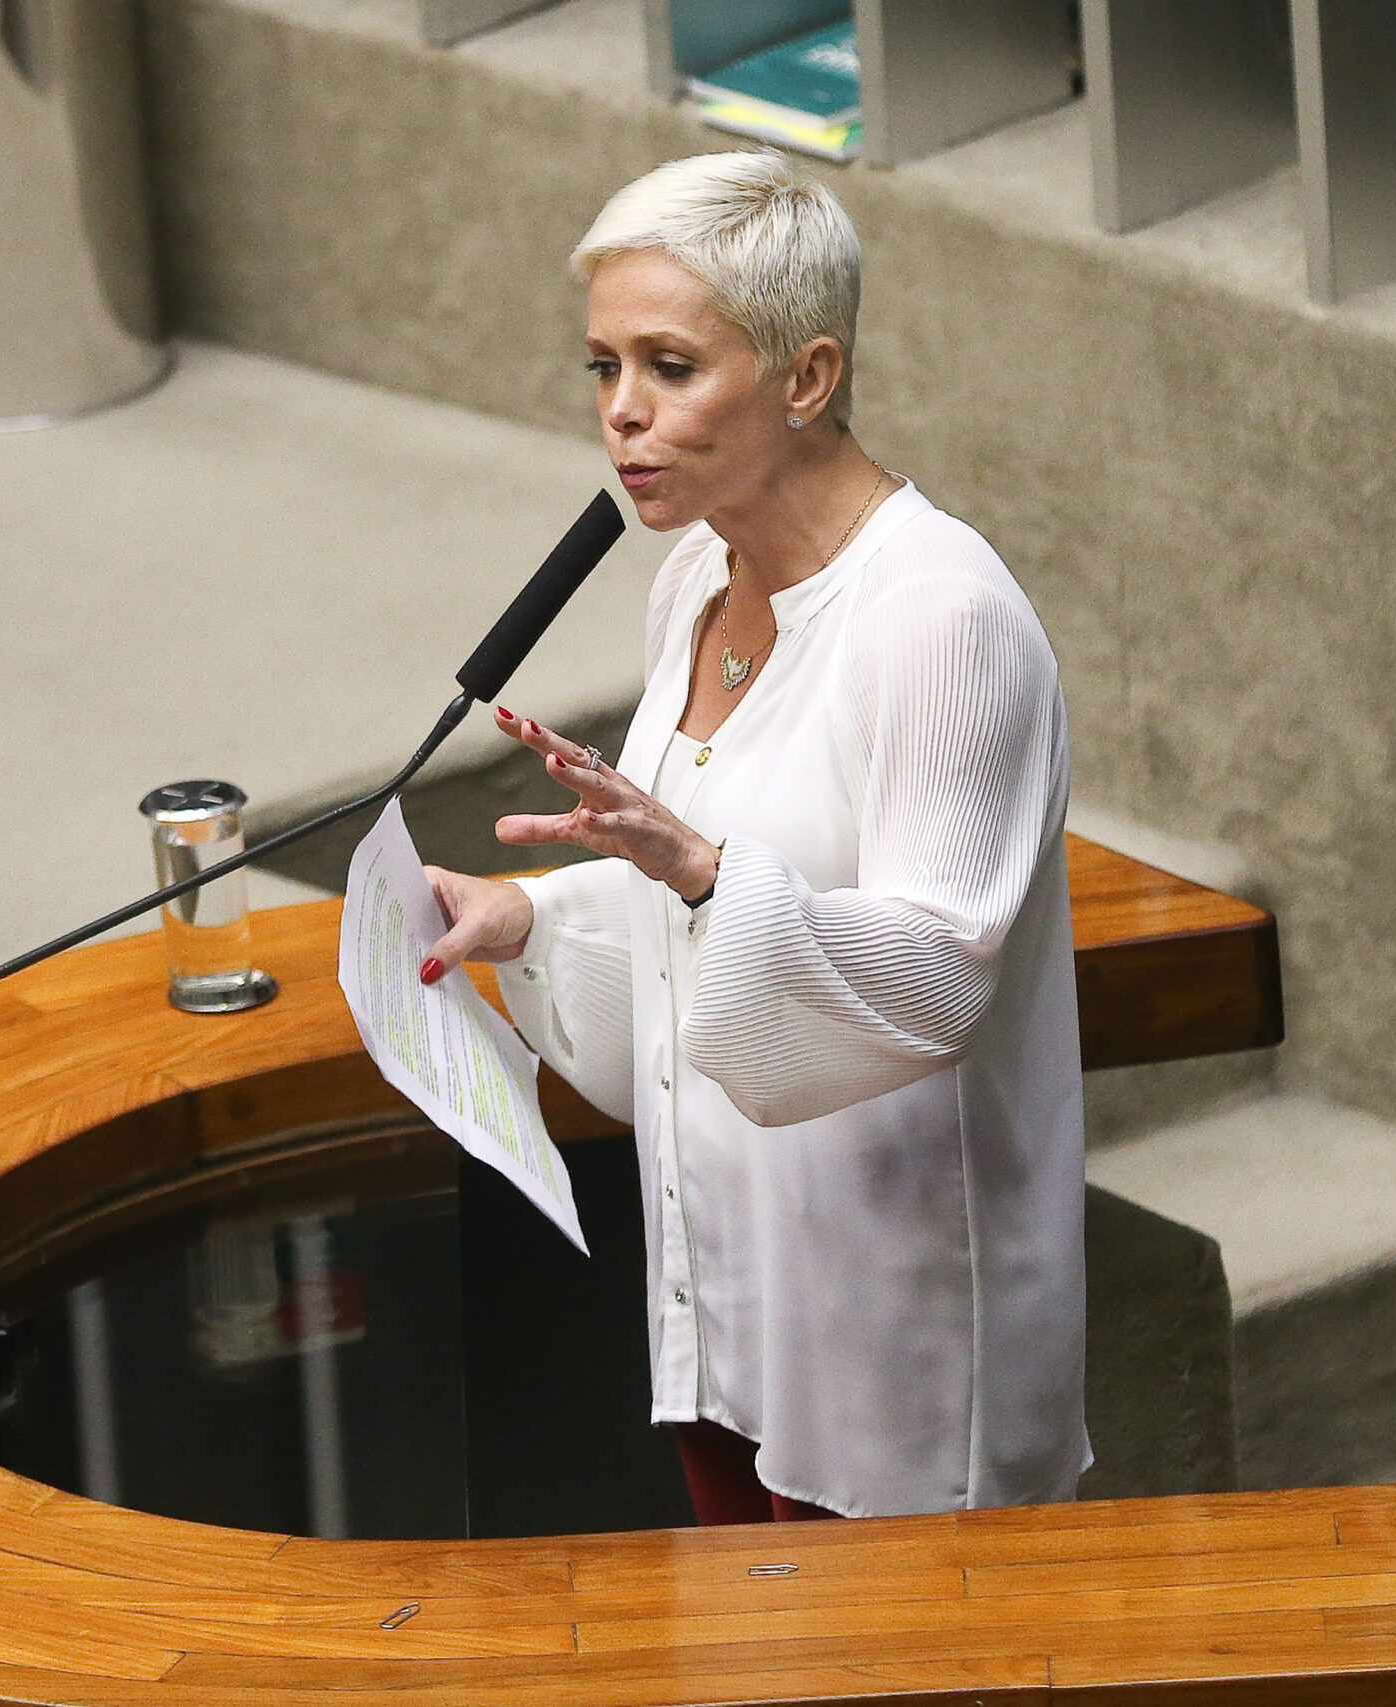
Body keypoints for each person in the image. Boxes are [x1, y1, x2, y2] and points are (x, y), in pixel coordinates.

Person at [421, 151, 1087, 1523]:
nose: (622, 416)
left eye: (670, 366)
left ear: (807, 376)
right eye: (601, 367)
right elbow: (698, 889)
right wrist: (533, 916)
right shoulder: (694, 580)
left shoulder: (935, 621)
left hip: (892, 1310)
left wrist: (709, 873)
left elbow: (937, 968)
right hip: (725, 1281)